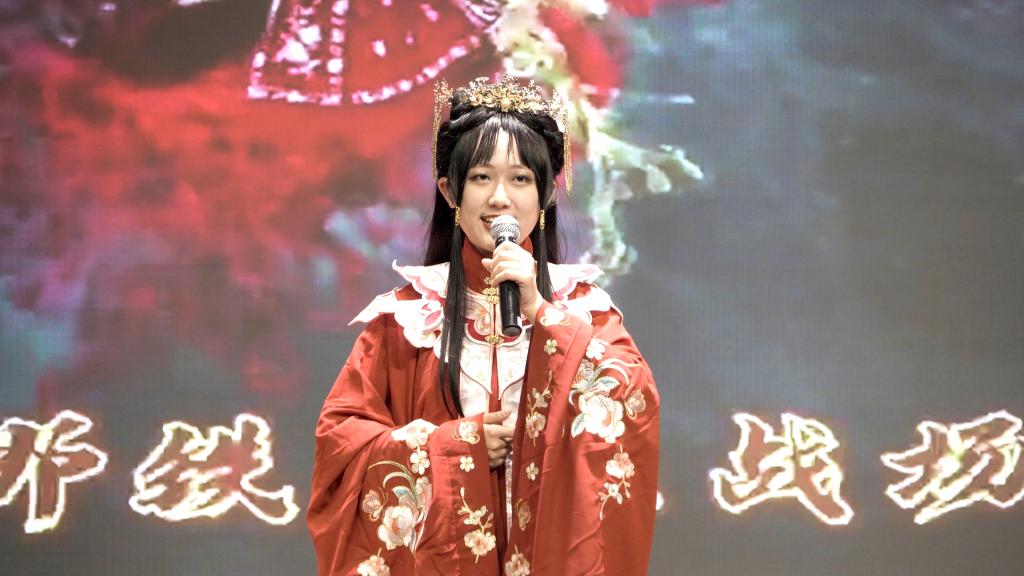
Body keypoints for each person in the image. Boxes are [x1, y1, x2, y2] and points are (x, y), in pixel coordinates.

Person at [308, 77, 660, 576]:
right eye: (480, 177)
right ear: (450, 191)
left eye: (520, 179)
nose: (500, 198)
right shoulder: (406, 321)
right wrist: (454, 447)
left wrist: (542, 313)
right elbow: (341, 446)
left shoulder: (585, 314)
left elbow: (633, 404)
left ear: (547, 193)